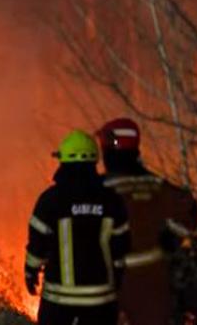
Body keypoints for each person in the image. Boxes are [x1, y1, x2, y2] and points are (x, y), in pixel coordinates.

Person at [97, 117, 197, 325]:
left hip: (112, 289)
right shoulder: (158, 187)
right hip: (156, 287)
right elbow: (189, 213)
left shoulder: (98, 191)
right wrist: (169, 239)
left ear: (112, 148)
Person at [25, 129, 131, 325]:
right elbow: (121, 247)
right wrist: (116, 278)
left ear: (64, 161)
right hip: (101, 299)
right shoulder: (112, 200)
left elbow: (37, 244)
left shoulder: (51, 199)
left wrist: (31, 271)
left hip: (59, 301)